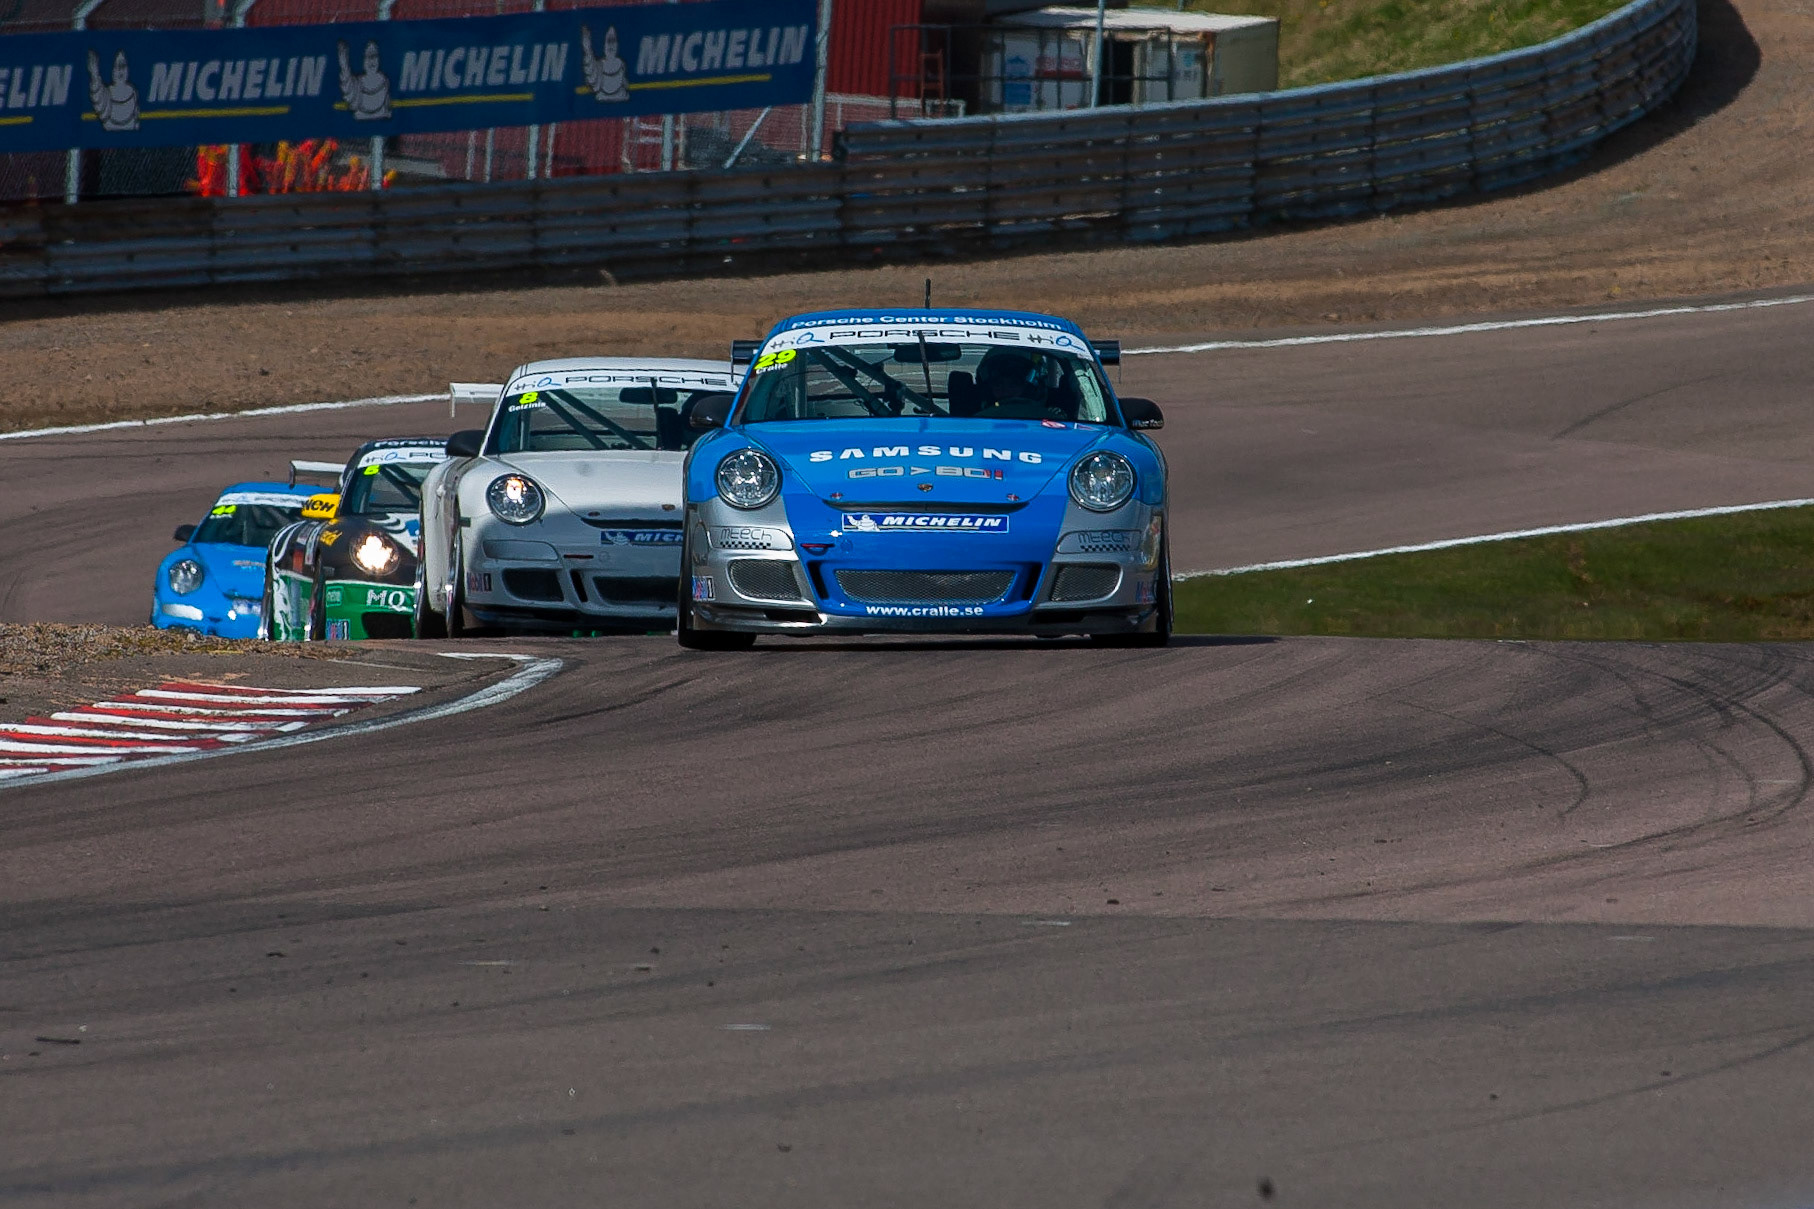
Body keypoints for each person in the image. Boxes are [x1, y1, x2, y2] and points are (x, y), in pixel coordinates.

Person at [338, 40, 392, 121]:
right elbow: (347, 86)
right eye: (368, 56)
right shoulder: (357, 83)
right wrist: (344, 64)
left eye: (374, 55)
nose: (372, 60)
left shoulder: (385, 81)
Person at [87, 50, 140, 132]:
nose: (120, 70)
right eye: (117, 66)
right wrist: (94, 74)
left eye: (123, 65)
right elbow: (96, 95)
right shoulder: (106, 93)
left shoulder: (133, 91)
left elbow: (136, 117)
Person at [581, 25, 629, 102]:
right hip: (602, 97)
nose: (611, 45)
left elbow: (625, 83)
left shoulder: (621, 64)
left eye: (613, 41)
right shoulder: (600, 65)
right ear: (604, 45)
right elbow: (591, 76)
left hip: (621, 96)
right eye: (609, 41)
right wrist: (587, 49)